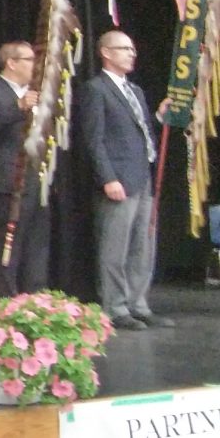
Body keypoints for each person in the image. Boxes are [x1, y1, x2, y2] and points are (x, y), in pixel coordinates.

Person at [81, 30, 174, 330]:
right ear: (106, 53)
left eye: (133, 49)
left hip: (143, 176)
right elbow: (93, 140)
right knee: (115, 247)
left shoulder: (135, 91)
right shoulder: (96, 89)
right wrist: (107, 177)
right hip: (119, 179)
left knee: (142, 245)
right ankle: (115, 307)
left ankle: (138, 303)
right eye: (124, 49)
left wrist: (158, 118)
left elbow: (140, 133)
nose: (132, 53)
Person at [0, 41, 49, 296]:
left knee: (36, 247)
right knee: (9, 247)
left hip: (36, 180)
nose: (35, 65)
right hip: (8, 181)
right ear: (12, 63)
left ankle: (35, 299)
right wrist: (18, 106)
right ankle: (6, 301)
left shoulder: (35, 93)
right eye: (29, 59)